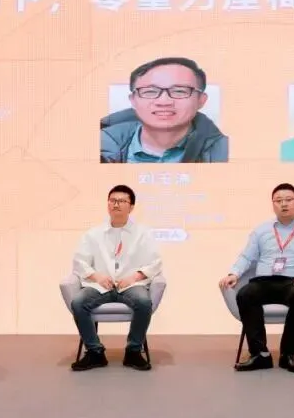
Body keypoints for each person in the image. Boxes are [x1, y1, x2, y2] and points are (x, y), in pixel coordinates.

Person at [219, 183, 294, 374]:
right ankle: (260, 354)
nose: (283, 204)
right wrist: (234, 273)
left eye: (288, 200)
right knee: (245, 294)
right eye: (278, 200)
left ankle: (288, 354)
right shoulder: (261, 230)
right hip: (265, 281)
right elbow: (247, 257)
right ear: (273, 204)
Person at [69, 185, 162, 371]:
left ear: (131, 207)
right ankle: (95, 352)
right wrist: (97, 276)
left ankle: (133, 351)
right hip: (100, 286)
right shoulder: (93, 234)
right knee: (78, 303)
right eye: (112, 200)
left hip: (131, 285)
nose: (116, 204)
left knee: (144, 302)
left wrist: (134, 277)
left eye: (121, 201)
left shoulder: (143, 234)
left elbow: (155, 263)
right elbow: (79, 262)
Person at [100, 57, 229, 163]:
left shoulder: (226, 153)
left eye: (179, 91)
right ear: (133, 100)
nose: (164, 102)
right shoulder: (99, 145)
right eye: (150, 91)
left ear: (201, 100)